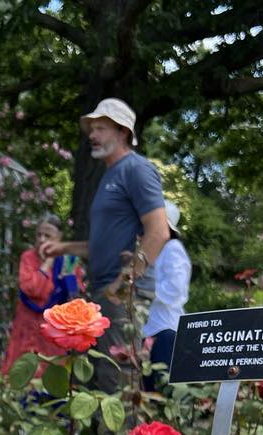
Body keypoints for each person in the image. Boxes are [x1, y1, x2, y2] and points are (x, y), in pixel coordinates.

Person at [39, 98, 169, 394]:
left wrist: (123, 285)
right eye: (91, 129)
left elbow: (159, 233)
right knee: (98, 380)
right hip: (105, 292)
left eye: (100, 128)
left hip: (122, 294)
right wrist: (64, 248)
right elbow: (102, 246)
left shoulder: (136, 169)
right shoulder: (109, 175)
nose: (92, 136)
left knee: (117, 382)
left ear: (123, 132)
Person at [1, 215, 84, 375]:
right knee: (22, 371)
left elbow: (74, 296)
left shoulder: (69, 261)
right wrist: (47, 263)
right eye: (39, 235)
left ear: (59, 238)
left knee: (52, 373)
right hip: (27, 325)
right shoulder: (28, 257)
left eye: (47, 236)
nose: (42, 239)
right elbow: (31, 289)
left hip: (53, 328)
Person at [140, 200, 190, 389]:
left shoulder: (172, 248)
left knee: (161, 388)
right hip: (149, 328)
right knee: (147, 388)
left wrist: (144, 291)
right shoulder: (150, 251)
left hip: (166, 330)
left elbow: (176, 290)